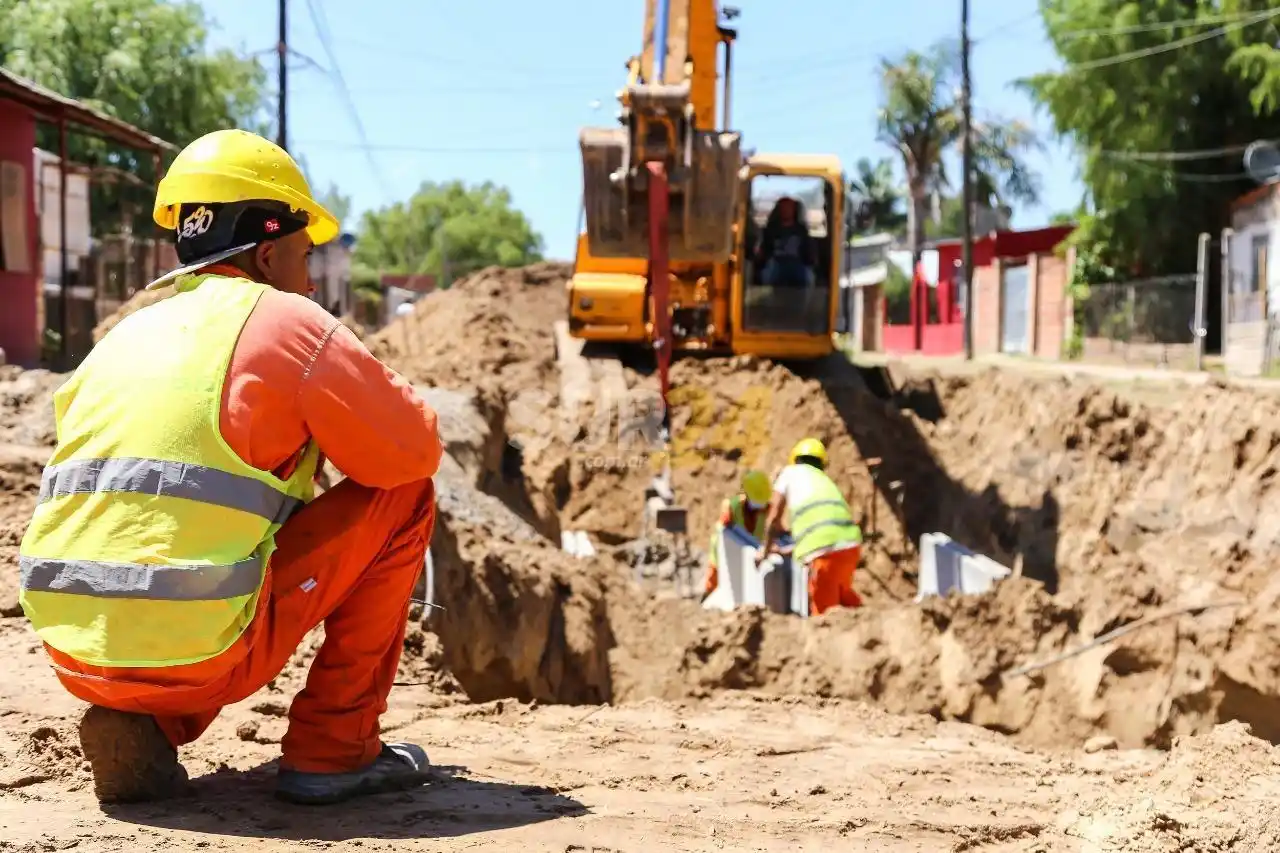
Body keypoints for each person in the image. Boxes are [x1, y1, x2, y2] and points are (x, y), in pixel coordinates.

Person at [17, 129, 443, 806]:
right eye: (306, 256)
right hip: (201, 654)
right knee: (407, 496)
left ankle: (149, 718)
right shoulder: (288, 323)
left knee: (205, 539)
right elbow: (413, 450)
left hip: (76, 652)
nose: (310, 278)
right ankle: (335, 750)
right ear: (268, 253)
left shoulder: (124, 335)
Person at [758, 438, 864, 615]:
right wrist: (787, 551)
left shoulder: (788, 473)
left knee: (824, 616)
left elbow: (773, 518)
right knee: (844, 601)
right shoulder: (825, 481)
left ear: (794, 459)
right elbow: (820, 532)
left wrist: (765, 551)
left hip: (824, 553)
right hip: (850, 547)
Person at [702, 470, 772, 601]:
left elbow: (772, 528)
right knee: (714, 581)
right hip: (724, 552)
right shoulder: (733, 506)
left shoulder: (767, 508)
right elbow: (725, 529)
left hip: (750, 551)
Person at [755, 196, 817, 288]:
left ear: (794, 210)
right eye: (783, 207)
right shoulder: (770, 230)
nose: (785, 210)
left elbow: (808, 251)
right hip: (775, 262)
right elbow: (764, 250)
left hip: (797, 263)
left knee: (808, 277)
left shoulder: (801, 230)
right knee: (767, 274)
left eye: (789, 207)